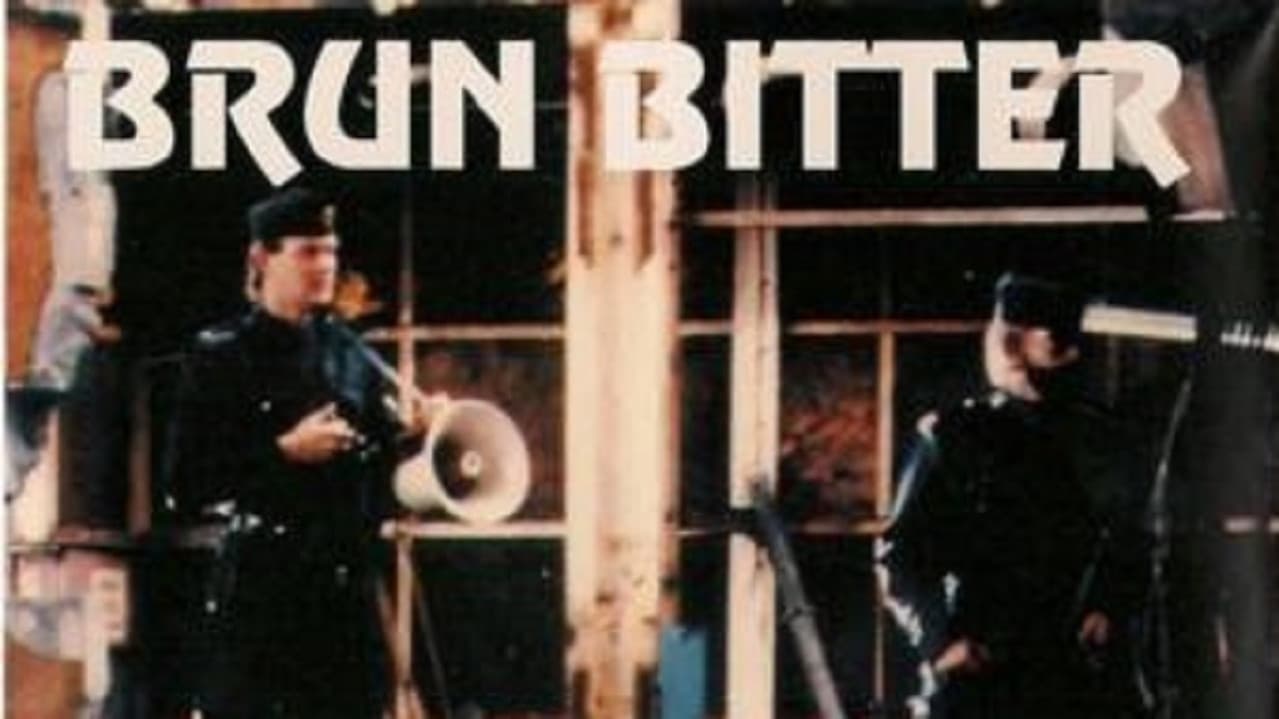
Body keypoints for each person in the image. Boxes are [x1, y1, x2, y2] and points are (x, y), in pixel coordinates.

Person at [167, 186, 432, 718]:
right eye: (308, 251)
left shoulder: (351, 354)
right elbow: (186, 482)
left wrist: (420, 439)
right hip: (264, 592)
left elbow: (379, 476)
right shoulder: (221, 356)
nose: (326, 265)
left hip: (346, 594)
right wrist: (282, 451)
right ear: (261, 258)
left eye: (331, 251)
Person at [877, 274, 1137, 719]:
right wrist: (940, 642)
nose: (1072, 354)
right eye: (1056, 341)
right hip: (980, 673)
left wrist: (1108, 606)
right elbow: (899, 554)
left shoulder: (1097, 439)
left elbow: (1126, 536)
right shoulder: (954, 437)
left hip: (1071, 673)